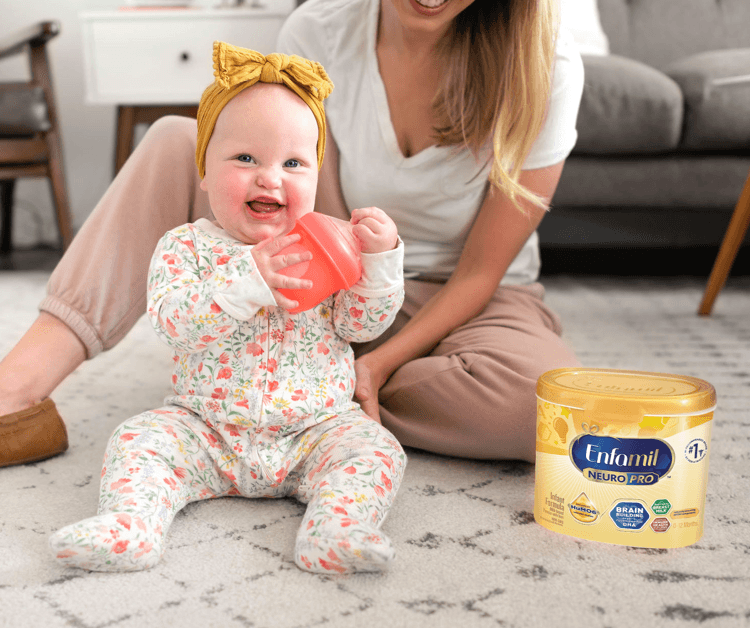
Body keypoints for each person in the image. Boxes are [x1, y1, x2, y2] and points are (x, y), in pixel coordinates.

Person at [0, 0, 584, 468]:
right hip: (324, 282)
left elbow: (481, 273)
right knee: (181, 138)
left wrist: (377, 367)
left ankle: (292, 394)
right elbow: (280, 196)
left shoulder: (545, 66)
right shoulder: (318, 28)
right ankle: (17, 389)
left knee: (544, 411)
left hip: (469, 301)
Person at [49, 43, 407, 575]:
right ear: (204, 172)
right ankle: (131, 527)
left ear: (315, 176)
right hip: (207, 429)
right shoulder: (185, 247)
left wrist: (379, 265)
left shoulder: (325, 246)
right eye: (245, 158)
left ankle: (336, 530)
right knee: (138, 439)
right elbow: (175, 324)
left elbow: (360, 325)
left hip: (314, 428)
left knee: (377, 451)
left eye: (293, 163)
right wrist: (247, 280)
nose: (270, 177)